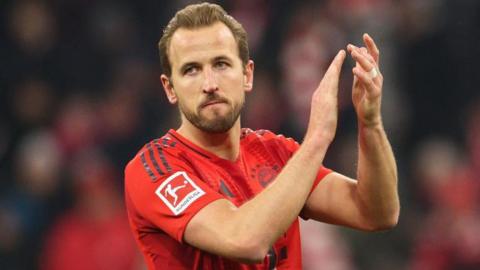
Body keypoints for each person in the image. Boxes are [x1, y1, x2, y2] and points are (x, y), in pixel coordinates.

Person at [124, 2, 399, 269]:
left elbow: (377, 212)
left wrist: (370, 123)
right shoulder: (155, 168)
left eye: (221, 64)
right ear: (170, 88)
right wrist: (317, 137)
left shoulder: (275, 153)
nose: (209, 84)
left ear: (247, 75)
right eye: (191, 70)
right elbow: (245, 241)